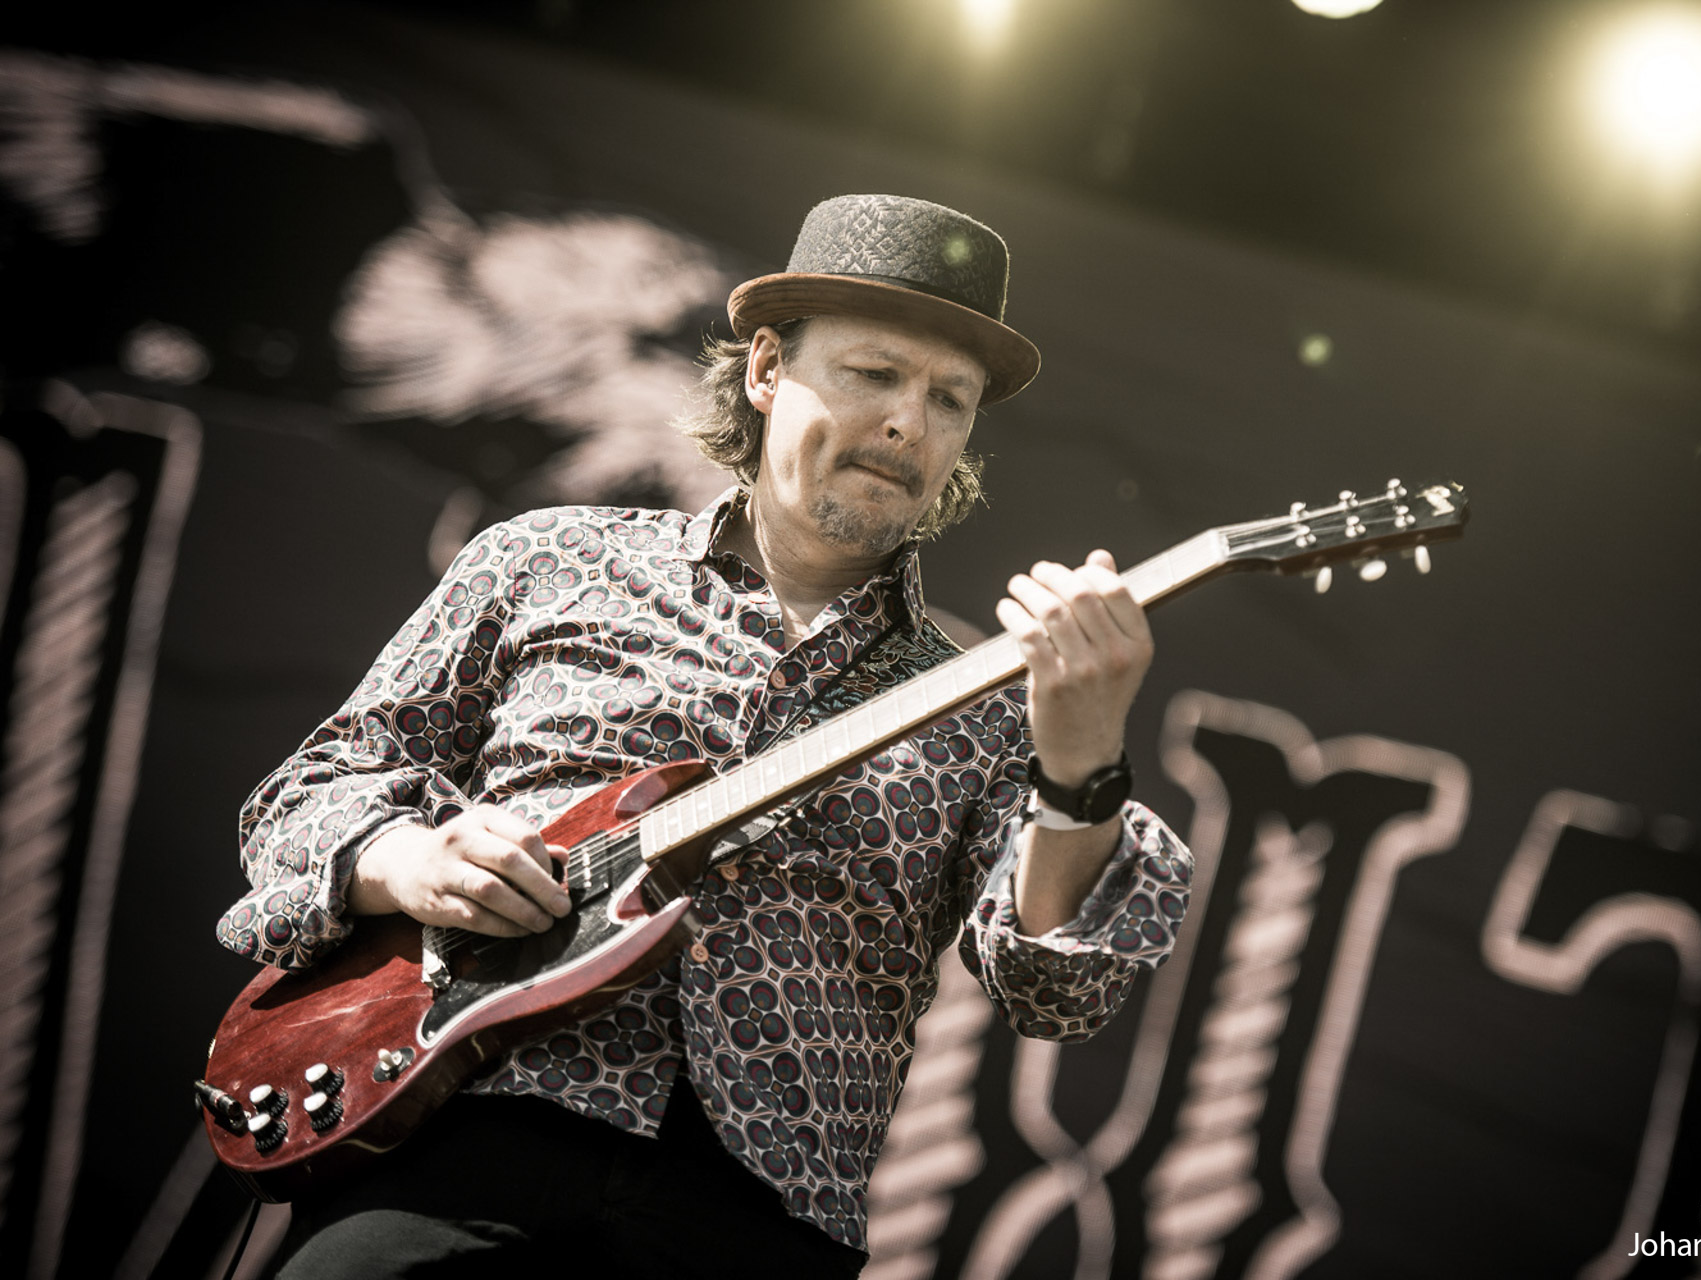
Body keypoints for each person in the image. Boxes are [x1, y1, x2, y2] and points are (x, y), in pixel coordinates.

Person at [220, 193, 1192, 1278]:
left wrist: (1083, 763)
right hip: (462, 1131)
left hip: (755, 1219)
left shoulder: (987, 704)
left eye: (949, 399)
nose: (909, 424)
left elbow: (1056, 987)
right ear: (767, 368)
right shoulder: (547, 556)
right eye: (874, 374)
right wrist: (410, 862)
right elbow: (309, 792)